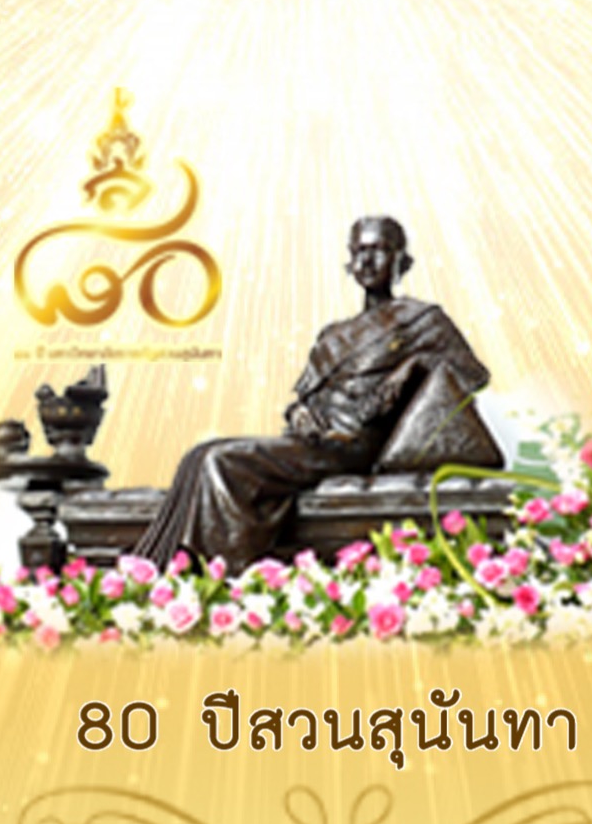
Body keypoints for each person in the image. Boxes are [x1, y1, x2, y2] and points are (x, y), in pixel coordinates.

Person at [143, 215, 501, 574]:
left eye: (378, 250)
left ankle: (224, 578)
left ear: (402, 261)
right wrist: (299, 414)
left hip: (353, 443)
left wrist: (416, 365)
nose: (366, 261)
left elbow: (472, 374)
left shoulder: (422, 319)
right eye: (359, 251)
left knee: (220, 461)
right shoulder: (333, 335)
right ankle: (164, 572)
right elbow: (304, 397)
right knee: (199, 454)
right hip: (312, 440)